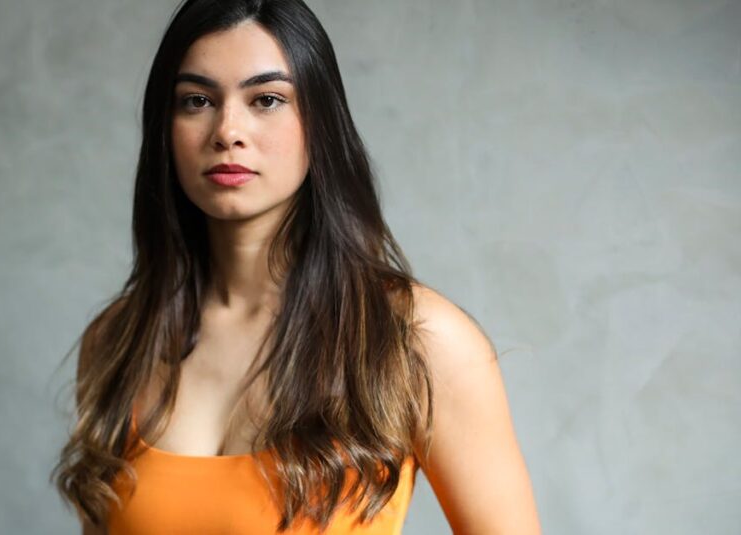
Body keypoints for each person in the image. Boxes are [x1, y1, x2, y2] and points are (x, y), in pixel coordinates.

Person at [52, 0, 542, 533]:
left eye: (266, 99)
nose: (227, 131)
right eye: (196, 100)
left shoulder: (415, 339)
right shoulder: (119, 341)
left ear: (320, 121)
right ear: (165, 128)